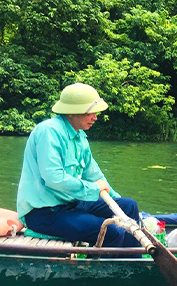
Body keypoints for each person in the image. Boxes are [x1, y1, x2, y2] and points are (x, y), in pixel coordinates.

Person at [16, 82, 141, 248]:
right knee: (111, 232)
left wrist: (116, 201)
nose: (95, 117)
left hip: (73, 203)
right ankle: (102, 271)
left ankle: (133, 261)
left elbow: (95, 175)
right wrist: (94, 189)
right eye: (90, 112)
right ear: (71, 113)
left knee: (129, 206)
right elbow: (54, 178)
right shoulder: (49, 131)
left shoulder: (79, 135)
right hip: (45, 213)